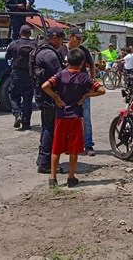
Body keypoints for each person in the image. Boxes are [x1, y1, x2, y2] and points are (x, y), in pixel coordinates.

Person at [41, 48, 106, 188]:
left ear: (67, 61)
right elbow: (102, 90)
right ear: (82, 63)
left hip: (61, 116)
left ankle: (53, 178)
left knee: (56, 148)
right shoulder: (84, 77)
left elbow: (45, 86)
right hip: (76, 117)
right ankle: (71, 178)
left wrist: (56, 97)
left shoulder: (60, 75)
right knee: (74, 149)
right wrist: (85, 96)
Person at [30, 27, 65, 173]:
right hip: (49, 96)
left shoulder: (40, 50)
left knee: (46, 127)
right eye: (61, 40)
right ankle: (45, 163)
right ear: (54, 37)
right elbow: (60, 75)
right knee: (49, 129)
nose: (62, 44)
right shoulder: (49, 53)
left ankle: (42, 159)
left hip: (42, 95)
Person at [58, 27, 97, 156]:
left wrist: (92, 80)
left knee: (86, 118)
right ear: (71, 37)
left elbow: (92, 65)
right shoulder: (62, 50)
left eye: (81, 38)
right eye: (78, 37)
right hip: (66, 92)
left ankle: (88, 145)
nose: (80, 40)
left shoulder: (83, 51)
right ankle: (69, 145)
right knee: (68, 118)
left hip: (83, 90)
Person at [5, 25, 36, 131]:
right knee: (28, 100)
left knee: (13, 95)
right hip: (30, 75)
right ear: (30, 33)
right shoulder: (35, 44)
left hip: (17, 74)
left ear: (20, 32)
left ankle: (17, 114)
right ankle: (26, 123)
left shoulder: (14, 44)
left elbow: (7, 57)